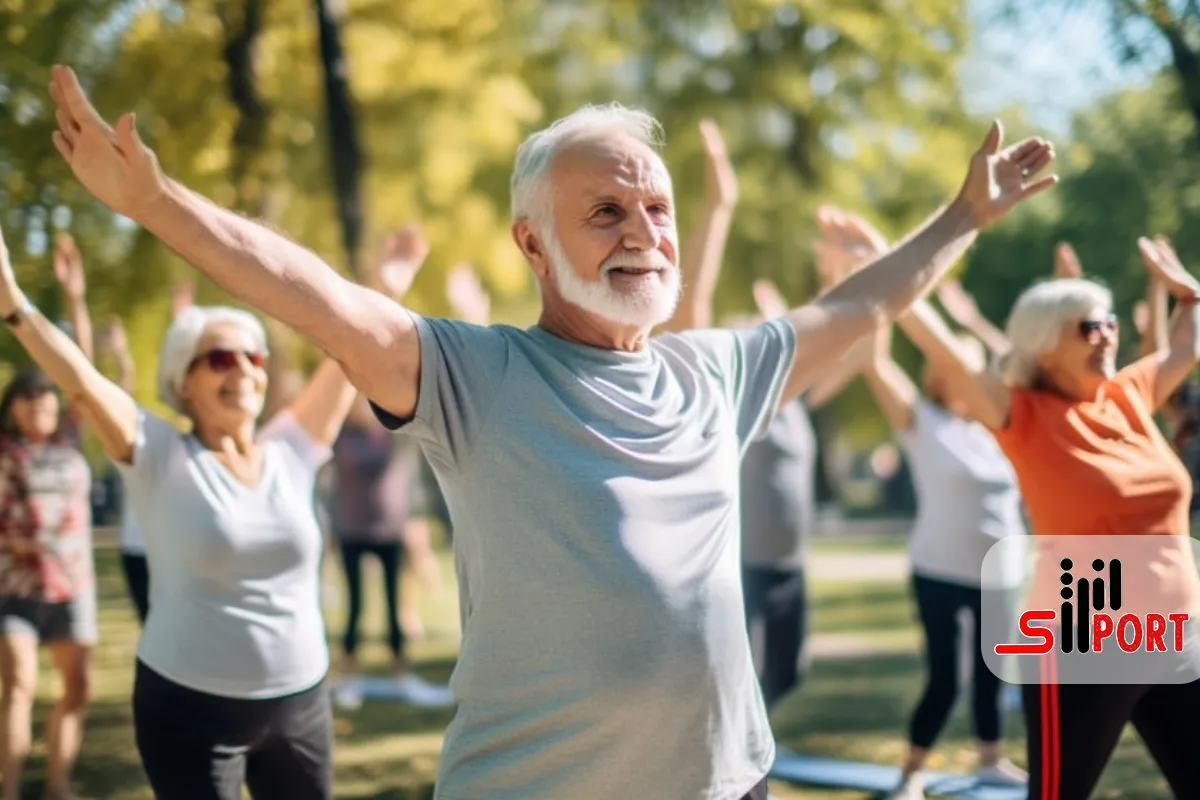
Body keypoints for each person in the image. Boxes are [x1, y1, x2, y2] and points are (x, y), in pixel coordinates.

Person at [46, 64, 1055, 799]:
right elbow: (312, 294)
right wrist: (154, 201)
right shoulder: (472, 374)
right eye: (605, 210)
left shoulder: (717, 368)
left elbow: (863, 305)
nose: (644, 233)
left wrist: (962, 214)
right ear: (531, 240)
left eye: (655, 207)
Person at [0, 213, 357, 799]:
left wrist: (386, 284)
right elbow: (83, 383)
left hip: (301, 705)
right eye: (219, 359)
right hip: (189, 709)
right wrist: (14, 304)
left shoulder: (292, 448)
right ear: (183, 382)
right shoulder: (159, 453)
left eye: (253, 358)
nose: (241, 369)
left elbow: (352, 345)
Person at [856, 226, 1200, 799]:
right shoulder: (1023, 417)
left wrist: (1189, 293)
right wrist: (884, 268)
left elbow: (1187, 347)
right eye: (1090, 325)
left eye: (1111, 322)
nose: (1107, 334)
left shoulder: (1129, 396)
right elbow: (941, 344)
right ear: (1044, 343)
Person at [659, 121, 863, 709]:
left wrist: (836, 283)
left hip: (790, 563)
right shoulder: (725, 399)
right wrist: (718, 208)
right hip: (738, 564)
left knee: (785, 676)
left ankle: (751, 755)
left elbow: (850, 343)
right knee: (731, 683)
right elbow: (690, 311)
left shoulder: (796, 402)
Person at [327, 224, 452, 710]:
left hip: (390, 530)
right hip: (354, 531)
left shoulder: (398, 431)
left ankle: (403, 677)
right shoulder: (344, 436)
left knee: (399, 615)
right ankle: (351, 678)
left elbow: (415, 372)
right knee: (357, 609)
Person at [0, 233, 96, 800]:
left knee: (77, 690)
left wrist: (74, 298)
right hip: (14, 588)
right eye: (29, 397)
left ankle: (58, 785)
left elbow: (82, 372)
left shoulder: (69, 441)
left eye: (47, 396)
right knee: (19, 689)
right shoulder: (4, 453)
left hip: (73, 587)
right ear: (12, 407)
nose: (41, 403)